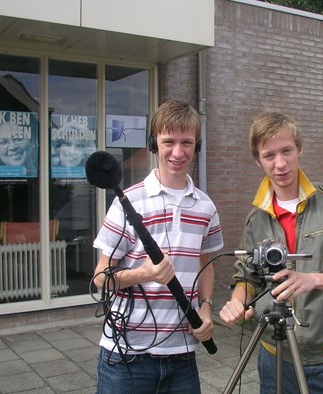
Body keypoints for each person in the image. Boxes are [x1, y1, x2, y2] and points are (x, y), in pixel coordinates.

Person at [219, 111, 323, 394]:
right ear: (258, 160)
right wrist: (236, 301)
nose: (280, 164)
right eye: (269, 156)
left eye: (287, 151)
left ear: (299, 149)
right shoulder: (256, 219)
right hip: (273, 357)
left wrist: (313, 279)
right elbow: (247, 278)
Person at [92, 99, 224, 394]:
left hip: (182, 358)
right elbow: (100, 278)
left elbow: (205, 264)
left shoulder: (205, 206)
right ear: (154, 143)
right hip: (125, 357)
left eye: (186, 142)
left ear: (197, 145)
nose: (178, 152)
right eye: (168, 141)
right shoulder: (128, 201)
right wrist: (145, 274)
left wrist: (205, 308)